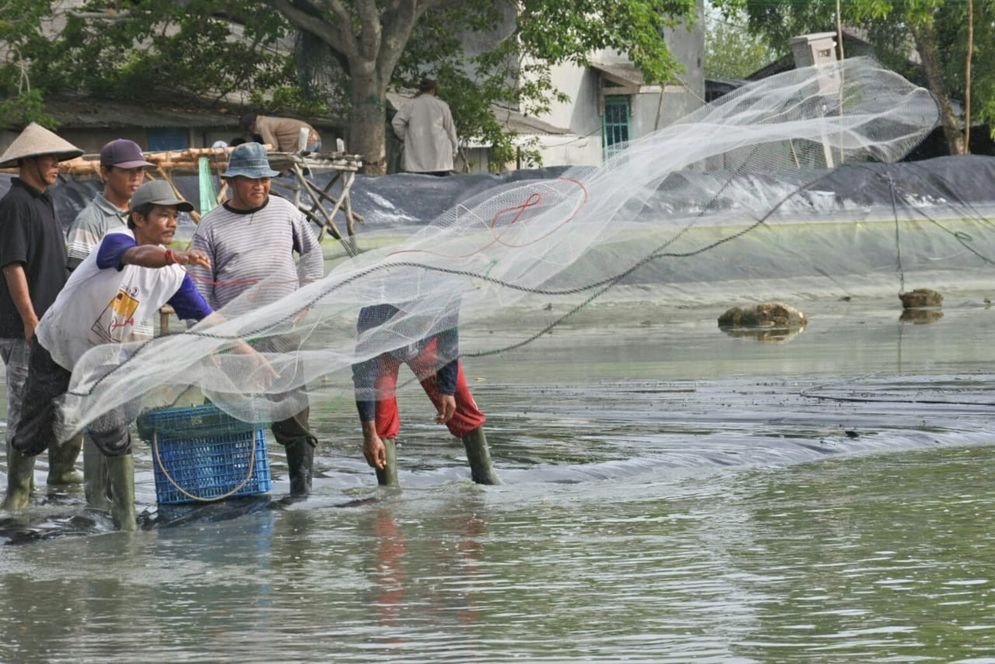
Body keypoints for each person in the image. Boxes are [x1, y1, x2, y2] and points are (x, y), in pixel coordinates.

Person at [4, 181, 219, 528]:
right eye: (163, 215)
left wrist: (248, 352)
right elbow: (136, 257)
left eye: (175, 217)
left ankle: (125, 517)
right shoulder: (117, 240)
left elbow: (209, 318)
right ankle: (16, 499)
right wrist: (173, 255)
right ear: (138, 217)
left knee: (115, 434)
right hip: (56, 347)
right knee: (33, 430)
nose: (171, 223)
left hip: (101, 362)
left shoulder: (175, 276)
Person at [187, 141, 324, 497]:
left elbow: (312, 254)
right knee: (227, 414)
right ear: (231, 181)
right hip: (233, 336)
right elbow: (199, 292)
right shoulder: (210, 227)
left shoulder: (286, 212)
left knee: (292, 412)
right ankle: (229, 493)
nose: (260, 186)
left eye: (265, 179)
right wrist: (209, 342)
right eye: (251, 180)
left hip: (282, 328)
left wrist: (307, 295)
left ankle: (301, 491)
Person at [64, 138, 153, 500]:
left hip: (137, 336)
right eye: (128, 172)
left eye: (141, 172)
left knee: (126, 418)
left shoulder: (142, 216)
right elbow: (76, 284)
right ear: (105, 173)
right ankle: (97, 500)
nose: (136, 178)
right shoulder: (90, 221)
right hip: (100, 342)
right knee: (99, 419)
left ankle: (118, 498)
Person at [0, 123, 83, 509]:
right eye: (51, 159)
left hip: (50, 330)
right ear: (30, 160)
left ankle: (58, 483)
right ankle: (18, 494)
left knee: (55, 405)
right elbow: (13, 266)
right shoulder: (15, 204)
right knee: (23, 407)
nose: (58, 167)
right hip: (23, 330)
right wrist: (31, 320)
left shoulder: (45, 200)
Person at [351, 303, 500, 486]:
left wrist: (447, 388)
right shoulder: (375, 317)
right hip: (385, 349)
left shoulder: (443, 294)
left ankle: (486, 477)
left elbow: (448, 341)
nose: (425, 324)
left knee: (460, 401)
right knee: (381, 414)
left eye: (429, 320)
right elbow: (365, 379)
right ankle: (389, 491)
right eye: (420, 321)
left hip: (428, 345)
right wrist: (370, 435)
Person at [391, 78, 459, 175]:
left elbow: (396, 122)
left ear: (420, 89)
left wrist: (405, 137)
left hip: (416, 161)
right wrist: (454, 149)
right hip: (440, 161)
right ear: (433, 89)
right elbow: (450, 129)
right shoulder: (442, 105)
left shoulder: (411, 104)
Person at [240, 113, 321, 154]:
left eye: (248, 129)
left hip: (307, 142)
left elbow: (272, 147)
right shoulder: (266, 121)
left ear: (251, 124)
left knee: (288, 172)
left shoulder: (262, 125)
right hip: (316, 140)